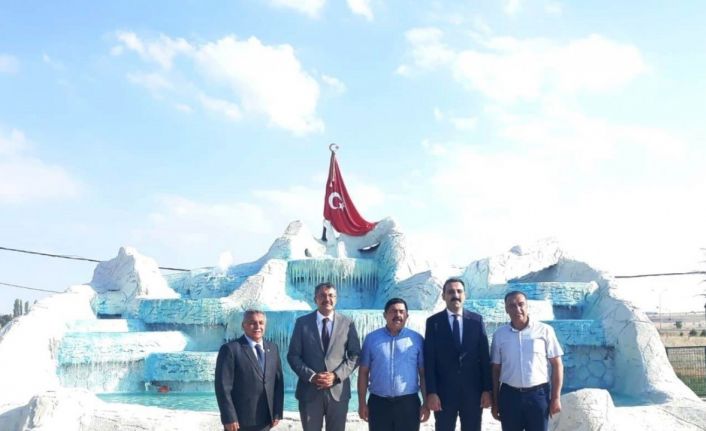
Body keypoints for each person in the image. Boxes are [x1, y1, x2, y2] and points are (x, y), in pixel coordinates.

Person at [287, 282, 361, 431]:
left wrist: (336, 375)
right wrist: (312, 376)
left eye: (331, 295)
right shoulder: (302, 323)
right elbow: (293, 356)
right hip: (309, 391)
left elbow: (355, 355)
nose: (327, 299)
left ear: (336, 299)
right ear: (315, 299)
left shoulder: (348, 323)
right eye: (322, 295)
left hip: (338, 392)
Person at [424, 277, 492, 431]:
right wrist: (431, 392)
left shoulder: (476, 321)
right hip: (443, 394)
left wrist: (487, 390)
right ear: (443, 296)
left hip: (473, 393)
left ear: (464, 295)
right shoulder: (433, 322)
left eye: (459, 291)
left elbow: (484, 357)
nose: (455, 295)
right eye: (450, 292)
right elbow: (430, 360)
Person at [490, 291, 564, 431]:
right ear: (506, 309)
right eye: (512, 306)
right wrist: (495, 402)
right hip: (509, 396)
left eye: (521, 304)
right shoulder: (499, 335)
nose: (517, 309)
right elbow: (495, 370)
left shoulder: (545, 331)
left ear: (527, 306)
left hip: (538, 396)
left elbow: (557, 364)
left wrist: (555, 397)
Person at [357, 298, 430, 431]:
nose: (398, 315)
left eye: (401, 312)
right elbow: (363, 372)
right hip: (379, 404)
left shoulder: (417, 339)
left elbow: (423, 374)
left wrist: (425, 403)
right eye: (393, 311)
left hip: (408, 404)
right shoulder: (371, 339)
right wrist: (362, 403)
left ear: (407, 315)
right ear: (385, 315)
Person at [215, 309, 284, 431]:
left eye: (261, 323)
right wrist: (229, 417)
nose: (257, 326)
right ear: (243, 325)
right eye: (252, 323)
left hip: (266, 420)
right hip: (240, 421)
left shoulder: (273, 348)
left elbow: (278, 383)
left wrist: (277, 412)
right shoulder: (230, 349)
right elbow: (222, 387)